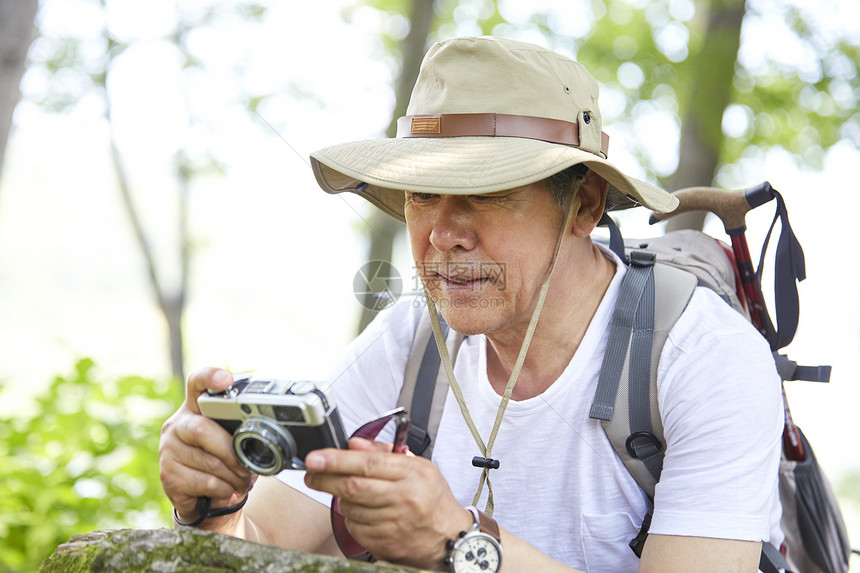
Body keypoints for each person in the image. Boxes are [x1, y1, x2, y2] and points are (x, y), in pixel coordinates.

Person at [159, 36, 783, 572]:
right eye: (422, 195)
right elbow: (262, 545)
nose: (443, 234)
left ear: (585, 204)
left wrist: (458, 542)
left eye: (487, 193)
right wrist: (213, 503)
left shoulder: (706, 360)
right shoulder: (417, 338)